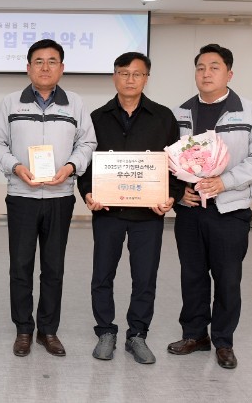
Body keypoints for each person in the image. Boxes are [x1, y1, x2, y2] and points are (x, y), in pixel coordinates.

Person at [168, 43, 252, 369]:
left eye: (214, 67)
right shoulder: (180, 113)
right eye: (200, 68)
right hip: (190, 210)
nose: (206, 73)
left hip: (230, 209)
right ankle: (195, 335)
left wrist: (225, 182)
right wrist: (179, 192)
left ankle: (224, 341)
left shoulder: (250, 112)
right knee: (192, 276)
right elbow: (166, 158)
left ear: (229, 74)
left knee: (227, 279)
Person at [0, 38, 96, 357]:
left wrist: (70, 167)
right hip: (21, 196)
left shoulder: (75, 104)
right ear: (28, 67)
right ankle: (24, 329)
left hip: (59, 197)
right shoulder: (10, 103)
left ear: (62, 68)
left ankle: (48, 330)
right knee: (20, 266)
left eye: (52, 61)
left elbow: (87, 143)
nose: (45, 67)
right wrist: (16, 167)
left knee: (53, 267)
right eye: (39, 61)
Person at [77, 52, 183, 364]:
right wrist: (88, 193)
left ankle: (137, 334)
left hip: (148, 214)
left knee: (145, 277)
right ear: (114, 77)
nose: (130, 79)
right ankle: (105, 331)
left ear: (146, 78)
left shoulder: (163, 117)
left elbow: (175, 166)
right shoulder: (97, 118)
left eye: (137, 74)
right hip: (107, 212)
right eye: (124, 73)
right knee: (102, 275)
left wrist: (171, 197)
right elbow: (85, 165)